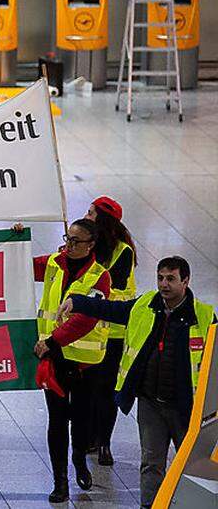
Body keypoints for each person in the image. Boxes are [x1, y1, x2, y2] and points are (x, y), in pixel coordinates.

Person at [56, 256, 212, 508]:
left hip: (188, 408)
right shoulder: (145, 306)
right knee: (151, 463)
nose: (164, 284)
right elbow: (110, 309)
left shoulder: (205, 317)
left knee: (193, 465)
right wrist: (77, 302)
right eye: (160, 278)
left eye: (171, 279)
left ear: (186, 281)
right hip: (151, 404)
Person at [31, 218, 113, 503]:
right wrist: (15, 236)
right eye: (68, 239)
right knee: (56, 421)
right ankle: (60, 481)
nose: (69, 245)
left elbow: (85, 320)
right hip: (54, 361)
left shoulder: (100, 277)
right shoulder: (54, 262)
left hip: (85, 364)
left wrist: (51, 342)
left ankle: (79, 458)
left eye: (76, 241)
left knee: (80, 421)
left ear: (91, 245)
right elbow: (20, 263)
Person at [83, 196, 137, 467]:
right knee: (90, 388)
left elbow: (106, 287)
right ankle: (91, 437)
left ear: (102, 221)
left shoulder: (123, 252)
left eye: (91, 213)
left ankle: (104, 442)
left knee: (105, 390)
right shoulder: (87, 246)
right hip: (88, 331)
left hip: (113, 332)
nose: (86, 215)